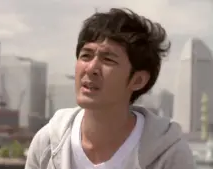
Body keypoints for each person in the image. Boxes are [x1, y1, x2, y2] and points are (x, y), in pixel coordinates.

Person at [25, 8, 195, 169]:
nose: (91, 68)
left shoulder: (169, 155)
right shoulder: (48, 144)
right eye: (86, 56)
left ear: (138, 80)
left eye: (108, 60)